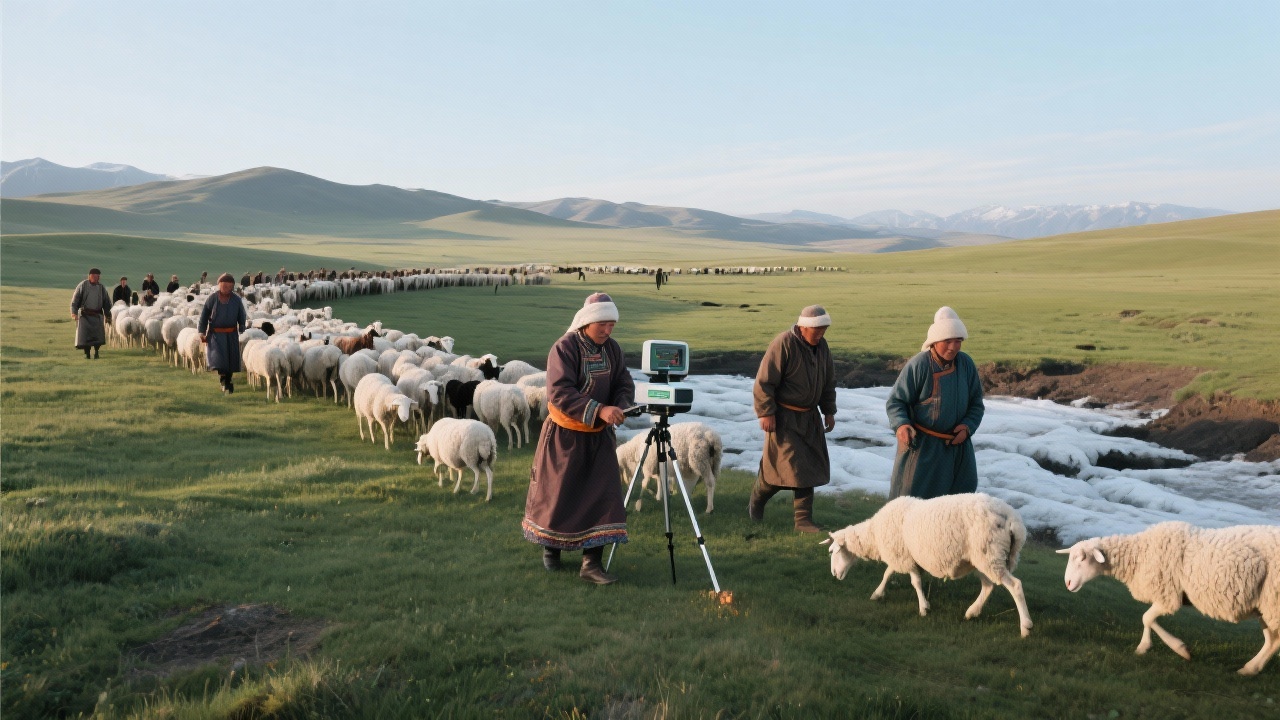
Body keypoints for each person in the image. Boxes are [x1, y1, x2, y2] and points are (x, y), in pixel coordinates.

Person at [522, 292, 635, 584]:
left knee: (602, 495)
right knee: (560, 495)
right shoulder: (564, 348)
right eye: (604, 324)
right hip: (564, 437)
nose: (608, 330)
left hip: (598, 438)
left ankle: (591, 564)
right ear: (588, 321)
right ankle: (551, 549)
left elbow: (623, 381)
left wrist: (621, 406)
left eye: (612, 325)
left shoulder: (613, 350)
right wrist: (599, 409)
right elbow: (559, 392)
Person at [749, 305, 838, 532]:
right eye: (817, 329)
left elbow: (828, 381)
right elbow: (764, 381)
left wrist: (829, 410)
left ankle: (803, 521)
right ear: (803, 327)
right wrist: (766, 412)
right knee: (783, 468)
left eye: (824, 329)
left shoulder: (822, 347)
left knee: (807, 467)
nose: (820, 334)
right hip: (784, 417)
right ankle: (757, 499)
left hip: (810, 418)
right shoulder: (784, 343)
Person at [886, 306, 985, 499]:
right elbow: (896, 401)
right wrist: (902, 424)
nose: (953, 347)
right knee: (913, 502)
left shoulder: (966, 364)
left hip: (958, 448)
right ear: (935, 341)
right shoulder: (919, 365)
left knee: (959, 502)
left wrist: (967, 427)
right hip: (924, 448)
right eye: (947, 341)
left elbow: (976, 404)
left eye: (958, 341)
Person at [197, 273, 247, 393]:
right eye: (222, 285)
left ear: (231, 287)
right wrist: (201, 331)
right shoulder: (212, 299)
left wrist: (242, 326)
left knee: (230, 361)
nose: (224, 287)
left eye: (227, 285)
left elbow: (242, 314)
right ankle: (224, 381)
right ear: (219, 285)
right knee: (219, 360)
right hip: (216, 335)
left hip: (231, 334)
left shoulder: (236, 300)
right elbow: (204, 316)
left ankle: (228, 382)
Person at [70, 268, 112, 359]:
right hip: (85, 315)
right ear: (91, 276)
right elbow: (75, 300)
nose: (99, 278)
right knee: (86, 337)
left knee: (98, 336)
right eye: (97, 276)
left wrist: (108, 314)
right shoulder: (83, 285)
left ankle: (96, 352)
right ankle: (87, 354)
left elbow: (107, 302)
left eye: (99, 276)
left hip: (97, 315)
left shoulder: (101, 287)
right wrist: (74, 313)